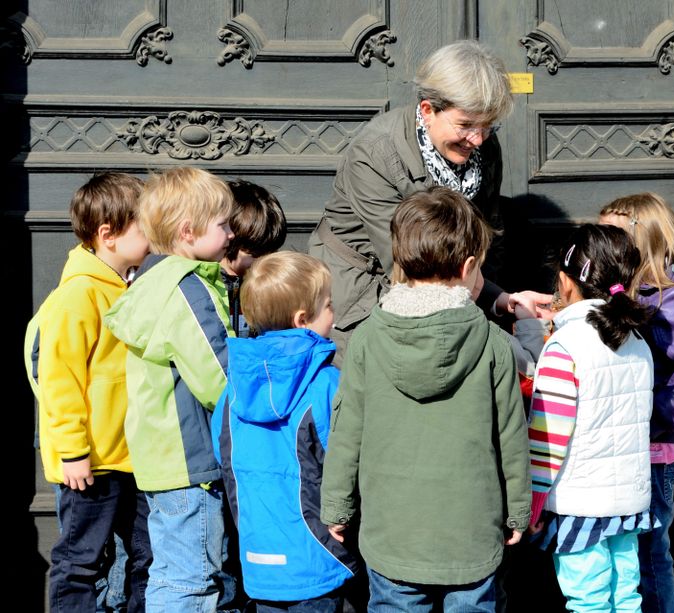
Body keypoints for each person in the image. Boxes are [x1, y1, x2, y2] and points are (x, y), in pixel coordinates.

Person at [321, 187, 531, 611]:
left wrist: (337, 506)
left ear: (399, 263)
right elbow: (512, 435)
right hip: (472, 534)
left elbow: (347, 433)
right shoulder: (494, 344)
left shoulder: (364, 341)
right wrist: (519, 511)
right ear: (470, 267)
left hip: (392, 535)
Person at [307, 39, 551, 362]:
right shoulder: (376, 153)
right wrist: (482, 315)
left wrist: (499, 299)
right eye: (465, 125)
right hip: (363, 289)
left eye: (487, 126)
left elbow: (488, 236)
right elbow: (409, 262)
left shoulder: (485, 149)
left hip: (449, 288)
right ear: (427, 110)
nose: (477, 140)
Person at [104, 167, 236, 613]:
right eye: (223, 224)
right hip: (190, 458)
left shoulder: (149, 280)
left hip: (162, 456)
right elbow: (217, 373)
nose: (232, 233)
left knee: (173, 570)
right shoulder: (187, 287)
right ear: (187, 232)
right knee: (191, 578)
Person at [28, 172, 152, 612]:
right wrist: (72, 451)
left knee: (148, 556)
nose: (154, 237)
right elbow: (60, 380)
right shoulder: (78, 295)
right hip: (91, 462)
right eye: (145, 228)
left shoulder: (128, 287)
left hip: (130, 456)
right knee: (82, 559)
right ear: (108, 235)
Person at [212, 251, 357, 611]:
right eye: (328, 305)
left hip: (258, 557)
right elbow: (348, 459)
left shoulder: (233, 389)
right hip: (319, 554)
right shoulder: (326, 383)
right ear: (303, 319)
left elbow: (222, 450)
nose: (334, 314)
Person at [599, 193, 674, 613]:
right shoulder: (625, 296)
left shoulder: (672, 298)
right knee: (621, 556)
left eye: (612, 236)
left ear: (643, 240)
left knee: (649, 555)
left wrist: (648, 420)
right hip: (624, 450)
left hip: (653, 452)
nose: (604, 245)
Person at [528, 224, 655, 613]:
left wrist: (533, 502)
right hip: (629, 501)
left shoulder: (565, 346)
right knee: (626, 596)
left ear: (565, 283)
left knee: (588, 600)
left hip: (579, 503)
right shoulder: (637, 342)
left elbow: (548, 437)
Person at [220, 180, 287, 337]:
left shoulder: (266, 284)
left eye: (271, 253)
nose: (264, 263)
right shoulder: (202, 288)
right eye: (256, 255)